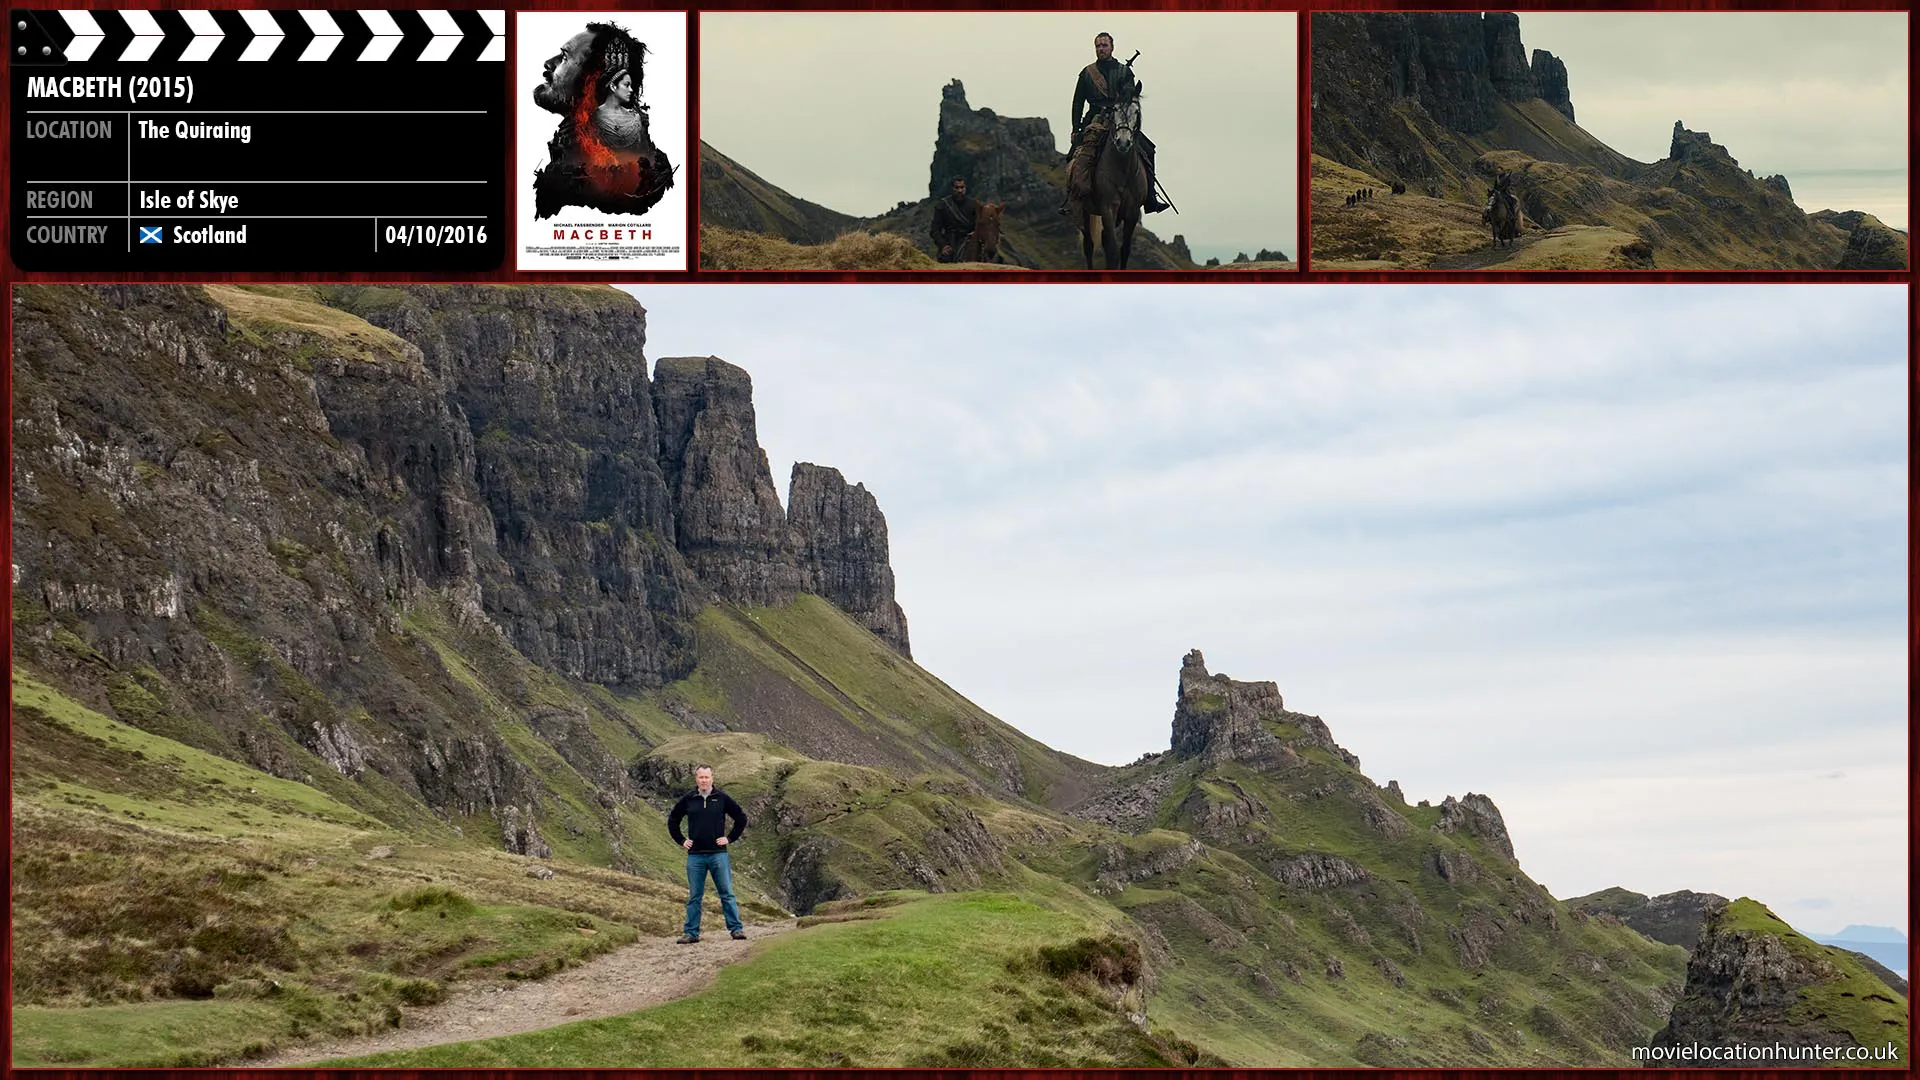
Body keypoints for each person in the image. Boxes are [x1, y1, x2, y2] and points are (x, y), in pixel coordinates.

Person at [1061, 32, 1168, 215]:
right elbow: (1078, 102)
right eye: (1098, 46)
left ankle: (1151, 198)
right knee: (1077, 156)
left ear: (1112, 47)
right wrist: (1075, 127)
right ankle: (1073, 199)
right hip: (1095, 121)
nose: (1101, 49)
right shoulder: (1087, 73)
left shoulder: (1124, 72)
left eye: (1104, 45)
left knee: (1149, 150)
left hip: (1121, 120)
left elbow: (1130, 99)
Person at [667, 765, 748, 943]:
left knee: (726, 893)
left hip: (718, 854)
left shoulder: (722, 798)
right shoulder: (688, 799)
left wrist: (730, 838)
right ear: (696, 779)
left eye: (706, 777)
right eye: (700, 777)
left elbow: (741, 818)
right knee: (695, 896)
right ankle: (691, 933)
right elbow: (673, 819)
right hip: (695, 856)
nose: (703, 780)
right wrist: (681, 840)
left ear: (712, 778)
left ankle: (736, 929)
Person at [930, 175, 978, 263]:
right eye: (957, 188)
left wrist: (975, 233)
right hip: (950, 241)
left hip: (969, 240)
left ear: (965, 188)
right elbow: (935, 230)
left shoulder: (974, 205)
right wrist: (943, 245)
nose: (959, 190)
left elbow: (979, 224)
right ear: (952, 188)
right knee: (946, 261)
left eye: (962, 187)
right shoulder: (943, 205)